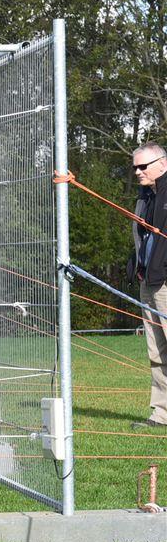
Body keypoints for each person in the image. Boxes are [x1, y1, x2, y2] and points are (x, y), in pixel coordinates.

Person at [128, 141, 167, 429]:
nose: (138, 172)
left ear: (162, 164)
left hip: (165, 282)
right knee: (157, 352)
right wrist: (137, 267)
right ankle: (162, 414)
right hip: (148, 282)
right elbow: (142, 239)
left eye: (143, 166)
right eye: (135, 168)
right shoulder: (144, 197)